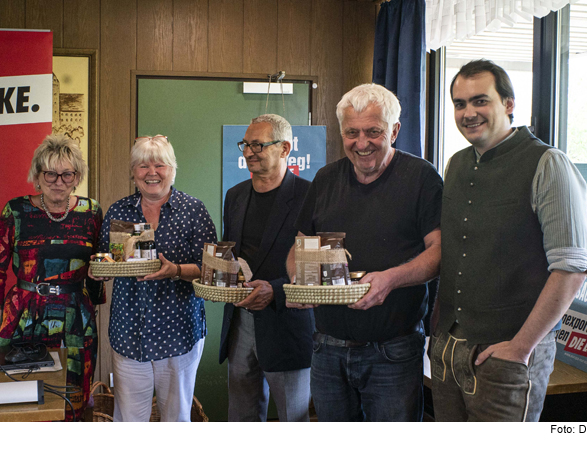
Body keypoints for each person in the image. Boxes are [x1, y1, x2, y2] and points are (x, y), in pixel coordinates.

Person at [430, 59, 587, 422]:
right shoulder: (455, 163)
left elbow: (572, 267)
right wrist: (439, 339)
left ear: (508, 104)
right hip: (448, 350)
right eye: (459, 104)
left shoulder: (548, 163)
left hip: (507, 356)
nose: (468, 112)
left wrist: (520, 348)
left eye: (480, 101)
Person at [287, 84, 443, 421]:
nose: (361, 143)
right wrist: (299, 278)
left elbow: (440, 252)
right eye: (352, 133)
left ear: (395, 131)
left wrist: (391, 280)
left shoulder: (422, 178)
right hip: (326, 347)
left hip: (393, 350)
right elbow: (299, 247)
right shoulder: (326, 179)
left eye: (374, 132)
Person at [93, 135, 217, 422]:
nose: (151, 173)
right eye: (142, 165)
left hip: (179, 333)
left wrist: (175, 271)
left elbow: (211, 268)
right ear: (133, 172)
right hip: (129, 333)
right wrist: (98, 272)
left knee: (176, 418)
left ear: (172, 169)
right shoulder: (118, 210)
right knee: (130, 419)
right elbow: (105, 259)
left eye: (159, 165)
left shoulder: (193, 210)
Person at [0, 134, 105, 421]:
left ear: (77, 177)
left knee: (74, 397)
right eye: (50, 173)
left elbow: (99, 267)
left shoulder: (92, 212)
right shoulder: (16, 210)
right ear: (37, 176)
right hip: (23, 313)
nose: (58, 181)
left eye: (67, 174)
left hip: (77, 315)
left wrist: (98, 293)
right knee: (21, 400)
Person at [219, 114, 314, 422]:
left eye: (258, 144)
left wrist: (275, 289)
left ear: (285, 148)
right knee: (241, 419)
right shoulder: (234, 196)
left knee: (294, 420)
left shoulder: (310, 196)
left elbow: (315, 268)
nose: (249, 152)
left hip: (288, 324)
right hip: (240, 323)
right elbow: (229, 254)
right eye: (245, 144)